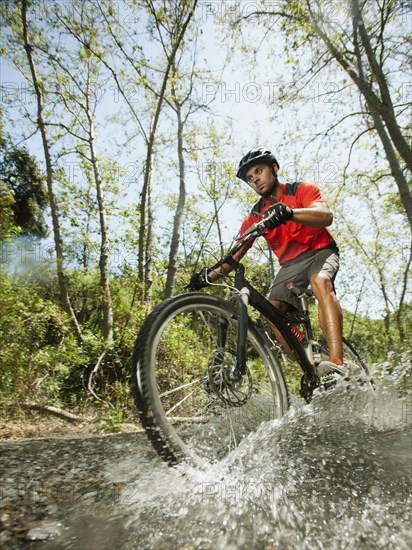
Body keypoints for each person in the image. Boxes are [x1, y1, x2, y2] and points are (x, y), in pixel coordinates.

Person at [201, 148, 347, 384]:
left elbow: (325, 216)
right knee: (271, 311)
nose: (255, 179)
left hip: (320, 251)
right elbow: (235, 256)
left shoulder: (301, 189)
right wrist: (207, 277)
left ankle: (337, 364)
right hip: (290, 266)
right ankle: (309, 361)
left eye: (258, 171)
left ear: (274, 168)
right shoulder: (256, 216)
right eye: (249, 178)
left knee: (320, 281)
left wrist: (289, 212)